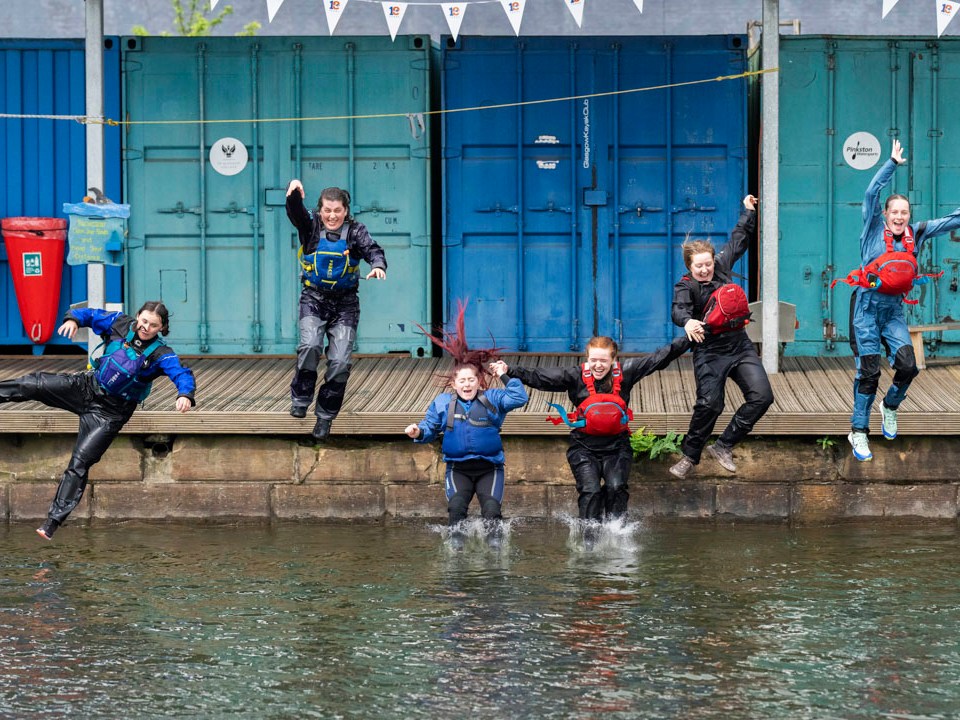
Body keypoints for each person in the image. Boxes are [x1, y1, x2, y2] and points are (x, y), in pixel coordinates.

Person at [0, 302, 195, 540]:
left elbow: (181, 373)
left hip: (110, 413)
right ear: (137, 317)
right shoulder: (120, 323)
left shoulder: (161, 354)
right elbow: (90, 314)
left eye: (153, 325)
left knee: (80, 462)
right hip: (86, 388)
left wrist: (185, 395)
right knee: (34, 383)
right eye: (144, 321)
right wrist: (72, 319)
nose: (146, 327)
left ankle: (52, 522)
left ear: (162, 327)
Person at [839, 140, 960, 461]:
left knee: (908, 365)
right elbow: (870, 194)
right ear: (885, 214)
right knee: (868, 372)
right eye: (895, 212)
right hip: (865, 307)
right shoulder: (872, 227)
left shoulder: (916, 233)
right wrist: (891, 163)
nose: (900, 216)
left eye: (904, 212)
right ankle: (859, 430)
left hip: (892, 311)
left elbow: (951, 220)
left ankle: (889, 406)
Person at [501, 335, 689, 537]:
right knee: (591, 491)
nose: (598, 366)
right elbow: (540, 377)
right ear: (587, 359)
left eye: (603, 361)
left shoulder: (626, 372)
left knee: (616, 487)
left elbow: (659, 357)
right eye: (593, 360)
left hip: (617, 447)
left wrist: (690, 338)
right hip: (583, 448)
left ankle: (616, 535)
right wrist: (509, 370)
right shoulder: (574, 375)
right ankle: (589, 539)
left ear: (613, 360)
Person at [404, 305, 528, 548]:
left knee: (491, 513)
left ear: (478, 381)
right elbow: (429, 427)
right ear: (454, 383)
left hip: (489, 468)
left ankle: (495, 560)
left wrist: (504, 375)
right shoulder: (442, 403)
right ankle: (457, 561)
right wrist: (417, 432)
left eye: (472, 380)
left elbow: (519, 398)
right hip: (457, 469)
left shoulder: (492, 399)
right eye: (462, 381)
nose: (467, 384)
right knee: (456, 511)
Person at [668, 194, 774, 479]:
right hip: (709, 350)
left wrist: (747, 211)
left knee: (762, 397)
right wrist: (688, 321)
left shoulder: (722, 267)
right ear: (689, 266)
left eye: (708, 264)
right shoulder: (685, 286)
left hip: (739, 345)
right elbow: (678, 311)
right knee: (710, 404)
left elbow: (738, 239)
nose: (705, 269)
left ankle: (724, 445)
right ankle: (689, 457)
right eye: (698, 266)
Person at [286, 179, 387, 442]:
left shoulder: (356, 231)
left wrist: (378, 265)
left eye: (337, 211)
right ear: (320, 210)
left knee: (340, 361)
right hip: (314, 298)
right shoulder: (310, 227)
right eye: (327, 210)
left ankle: (325, 418)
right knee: (310, 346)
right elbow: (295, 212)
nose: (332, 216)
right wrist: (293, 193)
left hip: (345, 304)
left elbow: (372, 249)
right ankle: (301, 398)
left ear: (346, 211)